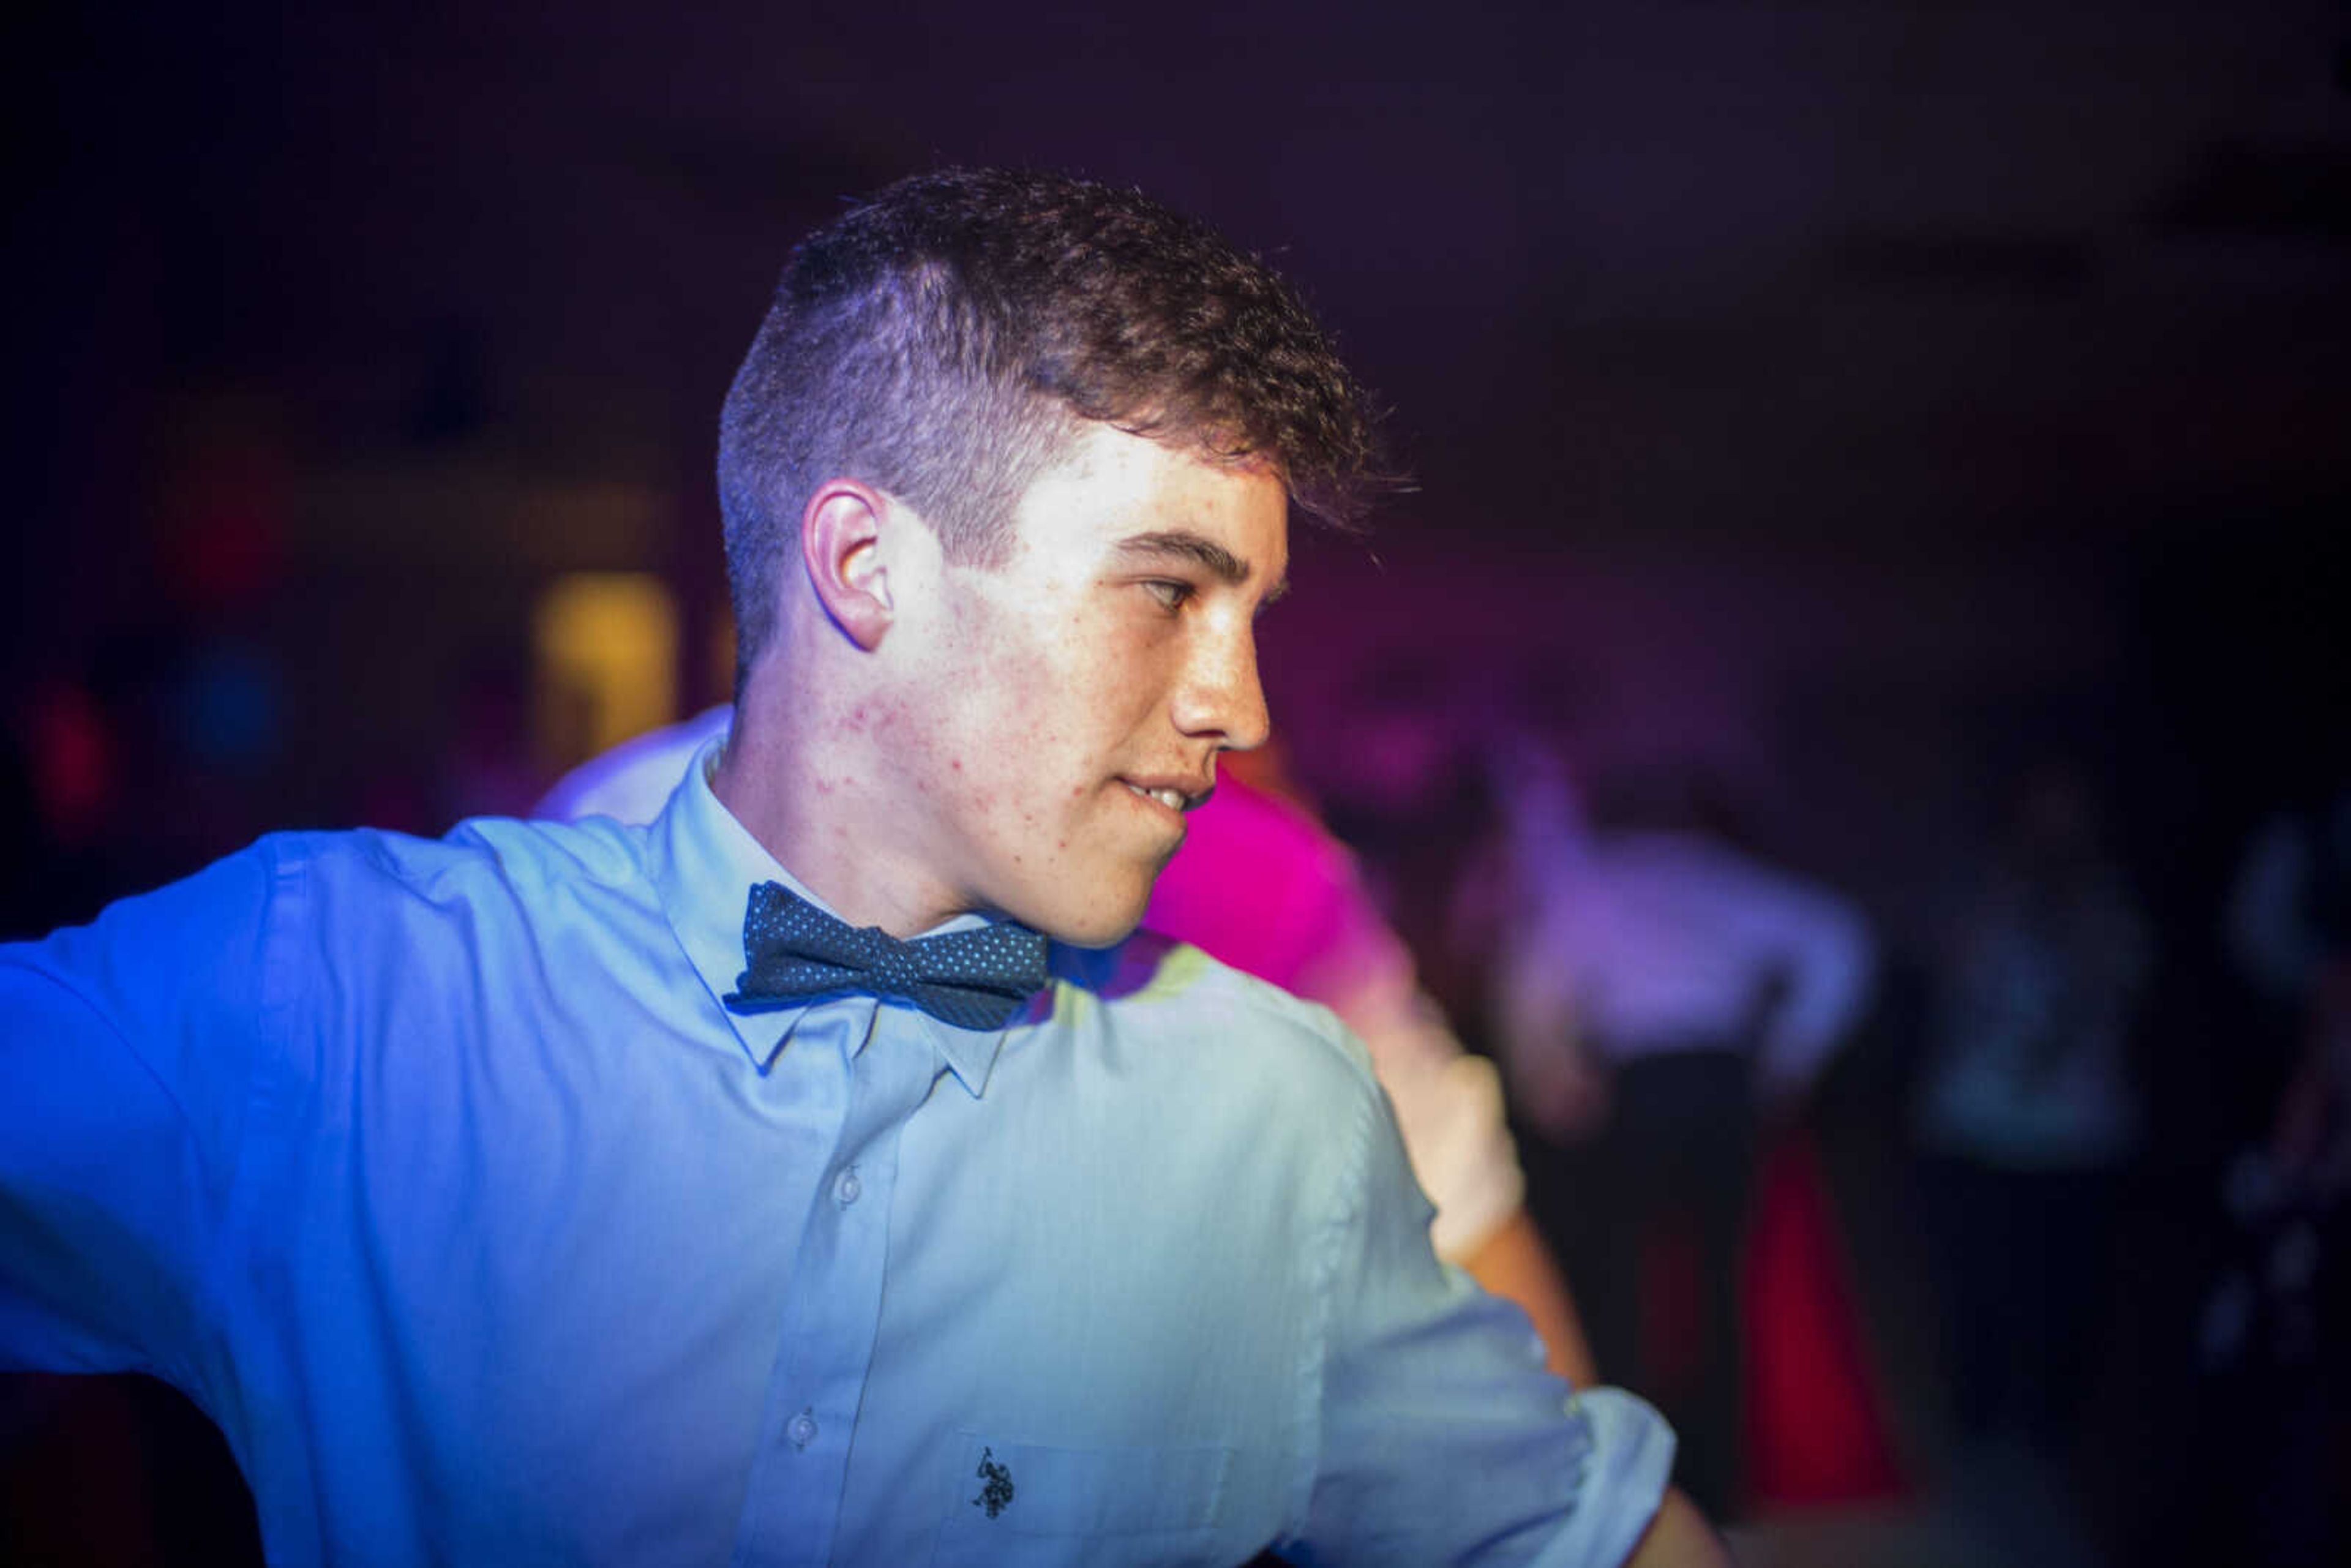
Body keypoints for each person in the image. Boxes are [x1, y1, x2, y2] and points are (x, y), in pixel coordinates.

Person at [1, 169, 1723, 1564]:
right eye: (1166, 591)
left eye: (1252, 612)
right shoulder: (343, 997)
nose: (1242, 704)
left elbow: (1571, 1523)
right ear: (866, 566)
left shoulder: (1268, 1119)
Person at [542, 710, 1597, 1381]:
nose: (1236, 699)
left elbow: (1469, 1240)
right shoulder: (622, 842)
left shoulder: (1265, 885)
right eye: (1162, 590)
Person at [1493, 750, 1873, 1518]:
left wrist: (1552, 1078)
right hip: (1724, 1082)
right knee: (1720, 1283)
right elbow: (1844, 939)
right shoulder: (1731, 876)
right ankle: (1719, 1484)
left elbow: (1531, 985)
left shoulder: (1591, 882)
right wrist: (1792, 1055)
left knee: (1621, 1281)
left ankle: (1636, 1482)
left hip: (1639, 1086)